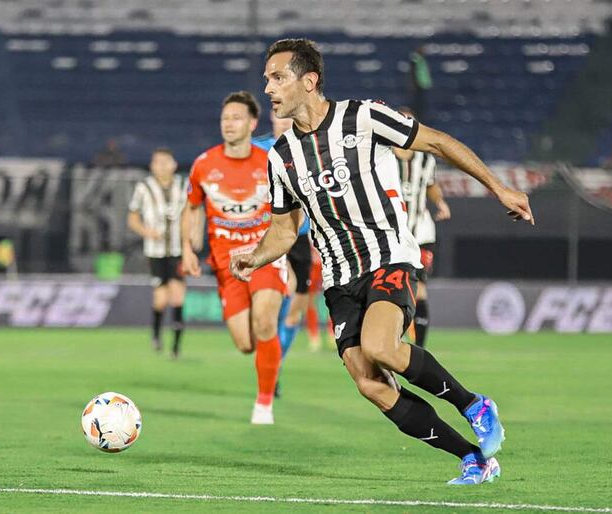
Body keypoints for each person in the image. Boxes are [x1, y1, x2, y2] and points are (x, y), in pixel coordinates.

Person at [231, 38, 534, 484]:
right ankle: (473, 457)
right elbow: (281, 229)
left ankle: (474, 404)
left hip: (388, 255)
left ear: (309, 81)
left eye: (278, 78)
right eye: (267, 80)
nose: (269, 88)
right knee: (369, 382)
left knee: (380, 346)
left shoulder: (363, 116)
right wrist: (255, 259)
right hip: (338, 278)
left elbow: (439, 142)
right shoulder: (281, 157)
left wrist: (499, 187)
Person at [180, 91, 287, 425]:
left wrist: (285, 248)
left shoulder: (269, 162)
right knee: (245, 343)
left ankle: (264, 404)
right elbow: (192, 207)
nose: (229, 124)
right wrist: (187, 247)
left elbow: (291, 208)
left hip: (263, 256)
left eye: (236, 118)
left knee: (265, 321)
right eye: (225, 118)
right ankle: (267, 356)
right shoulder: (204, 164)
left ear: (252, 123)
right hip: (226, 264)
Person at [254, 111, 311, 396]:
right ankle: (269, 363)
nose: (283, 122)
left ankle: (276, 363)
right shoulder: (258, 149)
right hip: (273, 234)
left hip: (301, 237)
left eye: (287, 117)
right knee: (281, 295)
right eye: (279, 117)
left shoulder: (310, 146)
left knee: (296, 310)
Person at [394, 107, 451, 348]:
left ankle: (420, 348)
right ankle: (393, 338)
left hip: (422, 233)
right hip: (394, 236)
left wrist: (440, 202)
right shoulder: (383, 157)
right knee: (395, 288)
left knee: (420, 289)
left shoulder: (425, 159)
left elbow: (430, 184)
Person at [127, 148, 187, 358]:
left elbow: (194, 211)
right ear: (152, 166)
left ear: (174, 164)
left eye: (165, 161)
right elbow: (132, 218)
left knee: (177, 296)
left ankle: (176, 347)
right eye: (157, 162)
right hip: (155, 252)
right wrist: (146, 231)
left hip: (179, 250)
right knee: (160, 299)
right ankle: (156, 335)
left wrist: (193, 237)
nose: (161, 166)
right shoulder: (144, 187)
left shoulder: (184, 184)